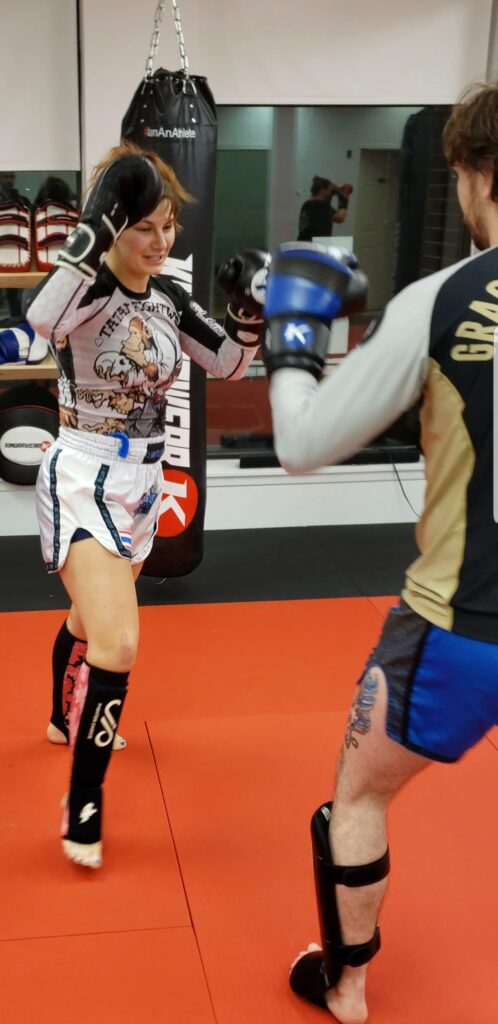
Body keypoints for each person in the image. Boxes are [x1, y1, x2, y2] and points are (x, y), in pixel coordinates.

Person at [261, 80, 498, 1023]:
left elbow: (301, 446)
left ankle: (349, 986)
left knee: (356, 798)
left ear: (474, 174)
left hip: (462, 630)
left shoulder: (446, 299)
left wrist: (290, 344)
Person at [26, 140, 268, 870]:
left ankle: (58, 715)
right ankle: (85, 802)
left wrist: (248, 312)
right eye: (145, 226)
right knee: (122, 645)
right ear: (115, 225)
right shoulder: (87, 291)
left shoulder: (168, 296)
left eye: (169, 226)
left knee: (88, 623)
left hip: (142, 489)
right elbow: (40, 321)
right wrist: (95, 222)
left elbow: (226, 361)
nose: (161, 242)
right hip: (82, 477)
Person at [297, 176, 353, 241]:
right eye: (329, 190)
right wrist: (344, 198)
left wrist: (333, 192)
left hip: (304, 244)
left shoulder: (308, 204)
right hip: (314, 247)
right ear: (322, 190)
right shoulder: (319, 205)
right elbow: (340, 218)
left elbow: (327, 208)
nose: (331, 193)